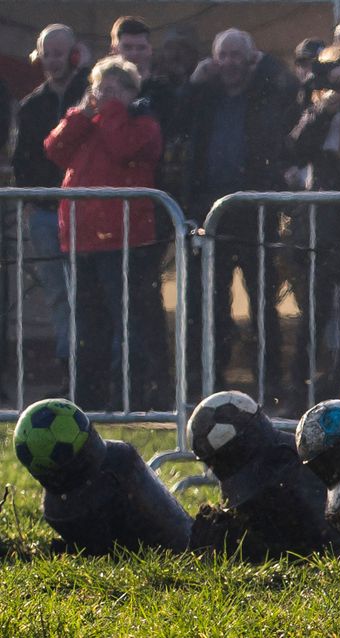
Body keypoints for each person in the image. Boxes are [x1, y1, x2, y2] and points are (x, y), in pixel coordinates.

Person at [178, 29, 300, 400]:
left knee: (263, 303)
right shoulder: (205, 98)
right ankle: (207, 383)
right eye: (223, 56)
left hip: (252, 213)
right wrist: (193, 84)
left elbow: (287, 88)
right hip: (208, 212)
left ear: (251, 58)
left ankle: (269, 383)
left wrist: (264, 62)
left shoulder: (264, 93)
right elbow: (177, 122)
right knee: (209, 303)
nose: (230, 64)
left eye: (237, 56)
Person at [44, 56, 162, 410]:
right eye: (99, 88)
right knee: (88, 327)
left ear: (130, 92)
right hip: (81, 241)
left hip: (123, 241)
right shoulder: (89, 122)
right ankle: (89, 402)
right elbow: (54, 148)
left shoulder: (143, 123)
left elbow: (122, 148)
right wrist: (80, 114)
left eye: (113, 89)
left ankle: (132, 399)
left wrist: (111, 109)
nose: (104, 96)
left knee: (128, 325)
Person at [287, 47, 340, 406]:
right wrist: (323, 112)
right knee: (315, 311)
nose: (337, 88)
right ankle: (299, 388)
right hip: (321, 224)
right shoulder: (315, 110)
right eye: (332, 81)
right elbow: (295, 148)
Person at [11, 24, 90, 395]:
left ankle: (94, 367)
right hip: (45, 212)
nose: (55, 61)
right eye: (49, 53)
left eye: (61, 52)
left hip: (88, 212)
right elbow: (22, 162)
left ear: (74, 53)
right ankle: (68, 366)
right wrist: (29, 202)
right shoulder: (31, 106)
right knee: (58, 292)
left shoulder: (90, 97)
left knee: (88, 292)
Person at [109, 16, 176, 408]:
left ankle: (156, 384)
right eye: (126, 46)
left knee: (144, 300)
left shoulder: (164, 93)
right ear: (114, 47)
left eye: (139, 47)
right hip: (105, 212)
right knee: (114, 303)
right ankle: (121, 386)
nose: (133, 53)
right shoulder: (99, 90)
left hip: (152, 206)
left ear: (149, 50)